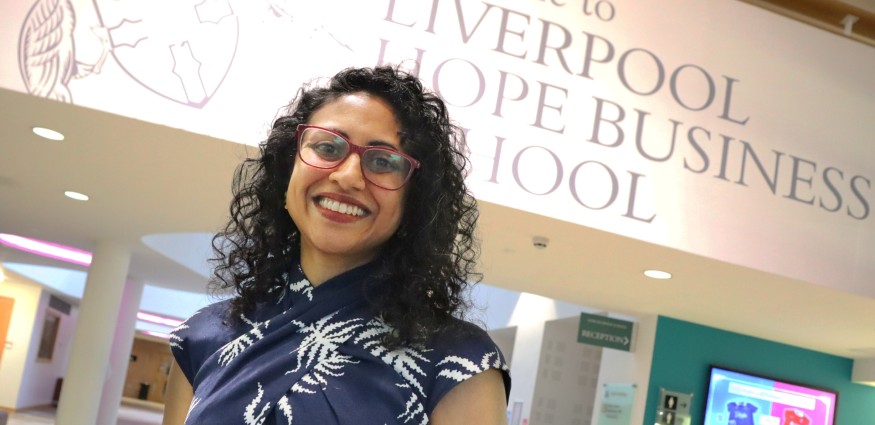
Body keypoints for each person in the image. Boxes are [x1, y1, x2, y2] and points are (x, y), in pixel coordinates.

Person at [162, 65, 511, 424]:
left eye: (382, 161)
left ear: (414, 201)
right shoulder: (203, 338)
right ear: (288, 171)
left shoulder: (459, 362)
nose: (347, 176)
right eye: (328, 147)